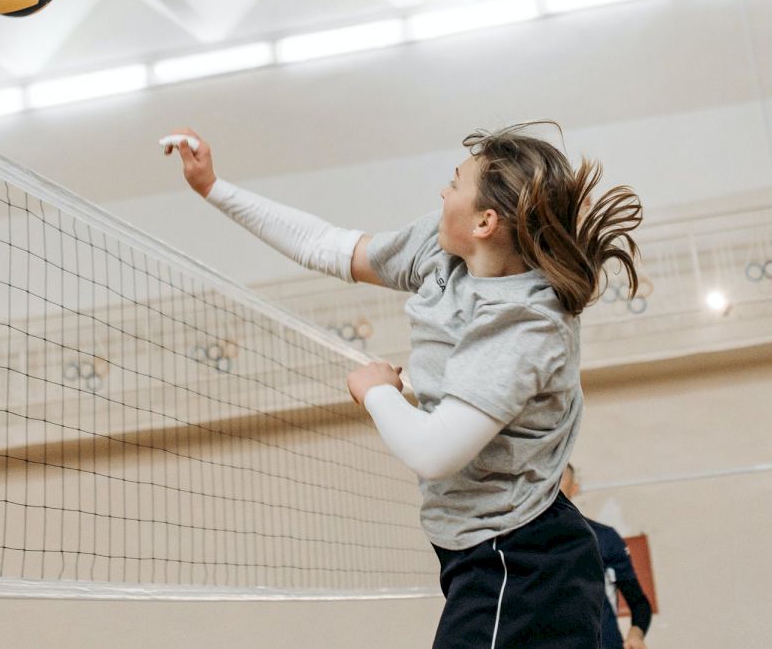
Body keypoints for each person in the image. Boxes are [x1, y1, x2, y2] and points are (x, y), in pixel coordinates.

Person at [166, 122, 642, 648]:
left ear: (485, 221)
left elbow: (434, 452)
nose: (444, 192)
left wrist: (376, 391)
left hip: (522, 561)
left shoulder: (524, 325)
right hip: (488, 555)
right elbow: (328, 246)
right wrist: (214, 187)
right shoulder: (442, 253)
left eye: (455, 183)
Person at [562, 463, 653, 649]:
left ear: (574, 488)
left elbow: (638, 602)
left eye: (559, 482)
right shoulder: (520, 542)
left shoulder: (603, 537)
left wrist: (636, 634)